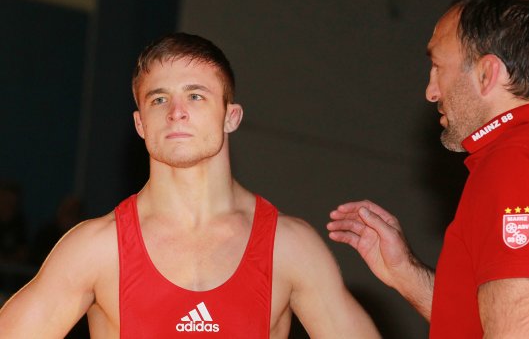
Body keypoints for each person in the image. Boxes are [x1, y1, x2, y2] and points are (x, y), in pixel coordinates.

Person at [0, 33, 380, 338]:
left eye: (195, 96)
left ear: (231, 117)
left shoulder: (291, 248)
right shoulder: (95, 250)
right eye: (159, 98)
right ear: (140, 125)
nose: (176, 111)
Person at [328, 0, 529, 338]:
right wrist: (405, 272)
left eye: (437, 66)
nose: (431, 91)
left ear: (486, 73)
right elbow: (484, 322)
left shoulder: (514, 163)